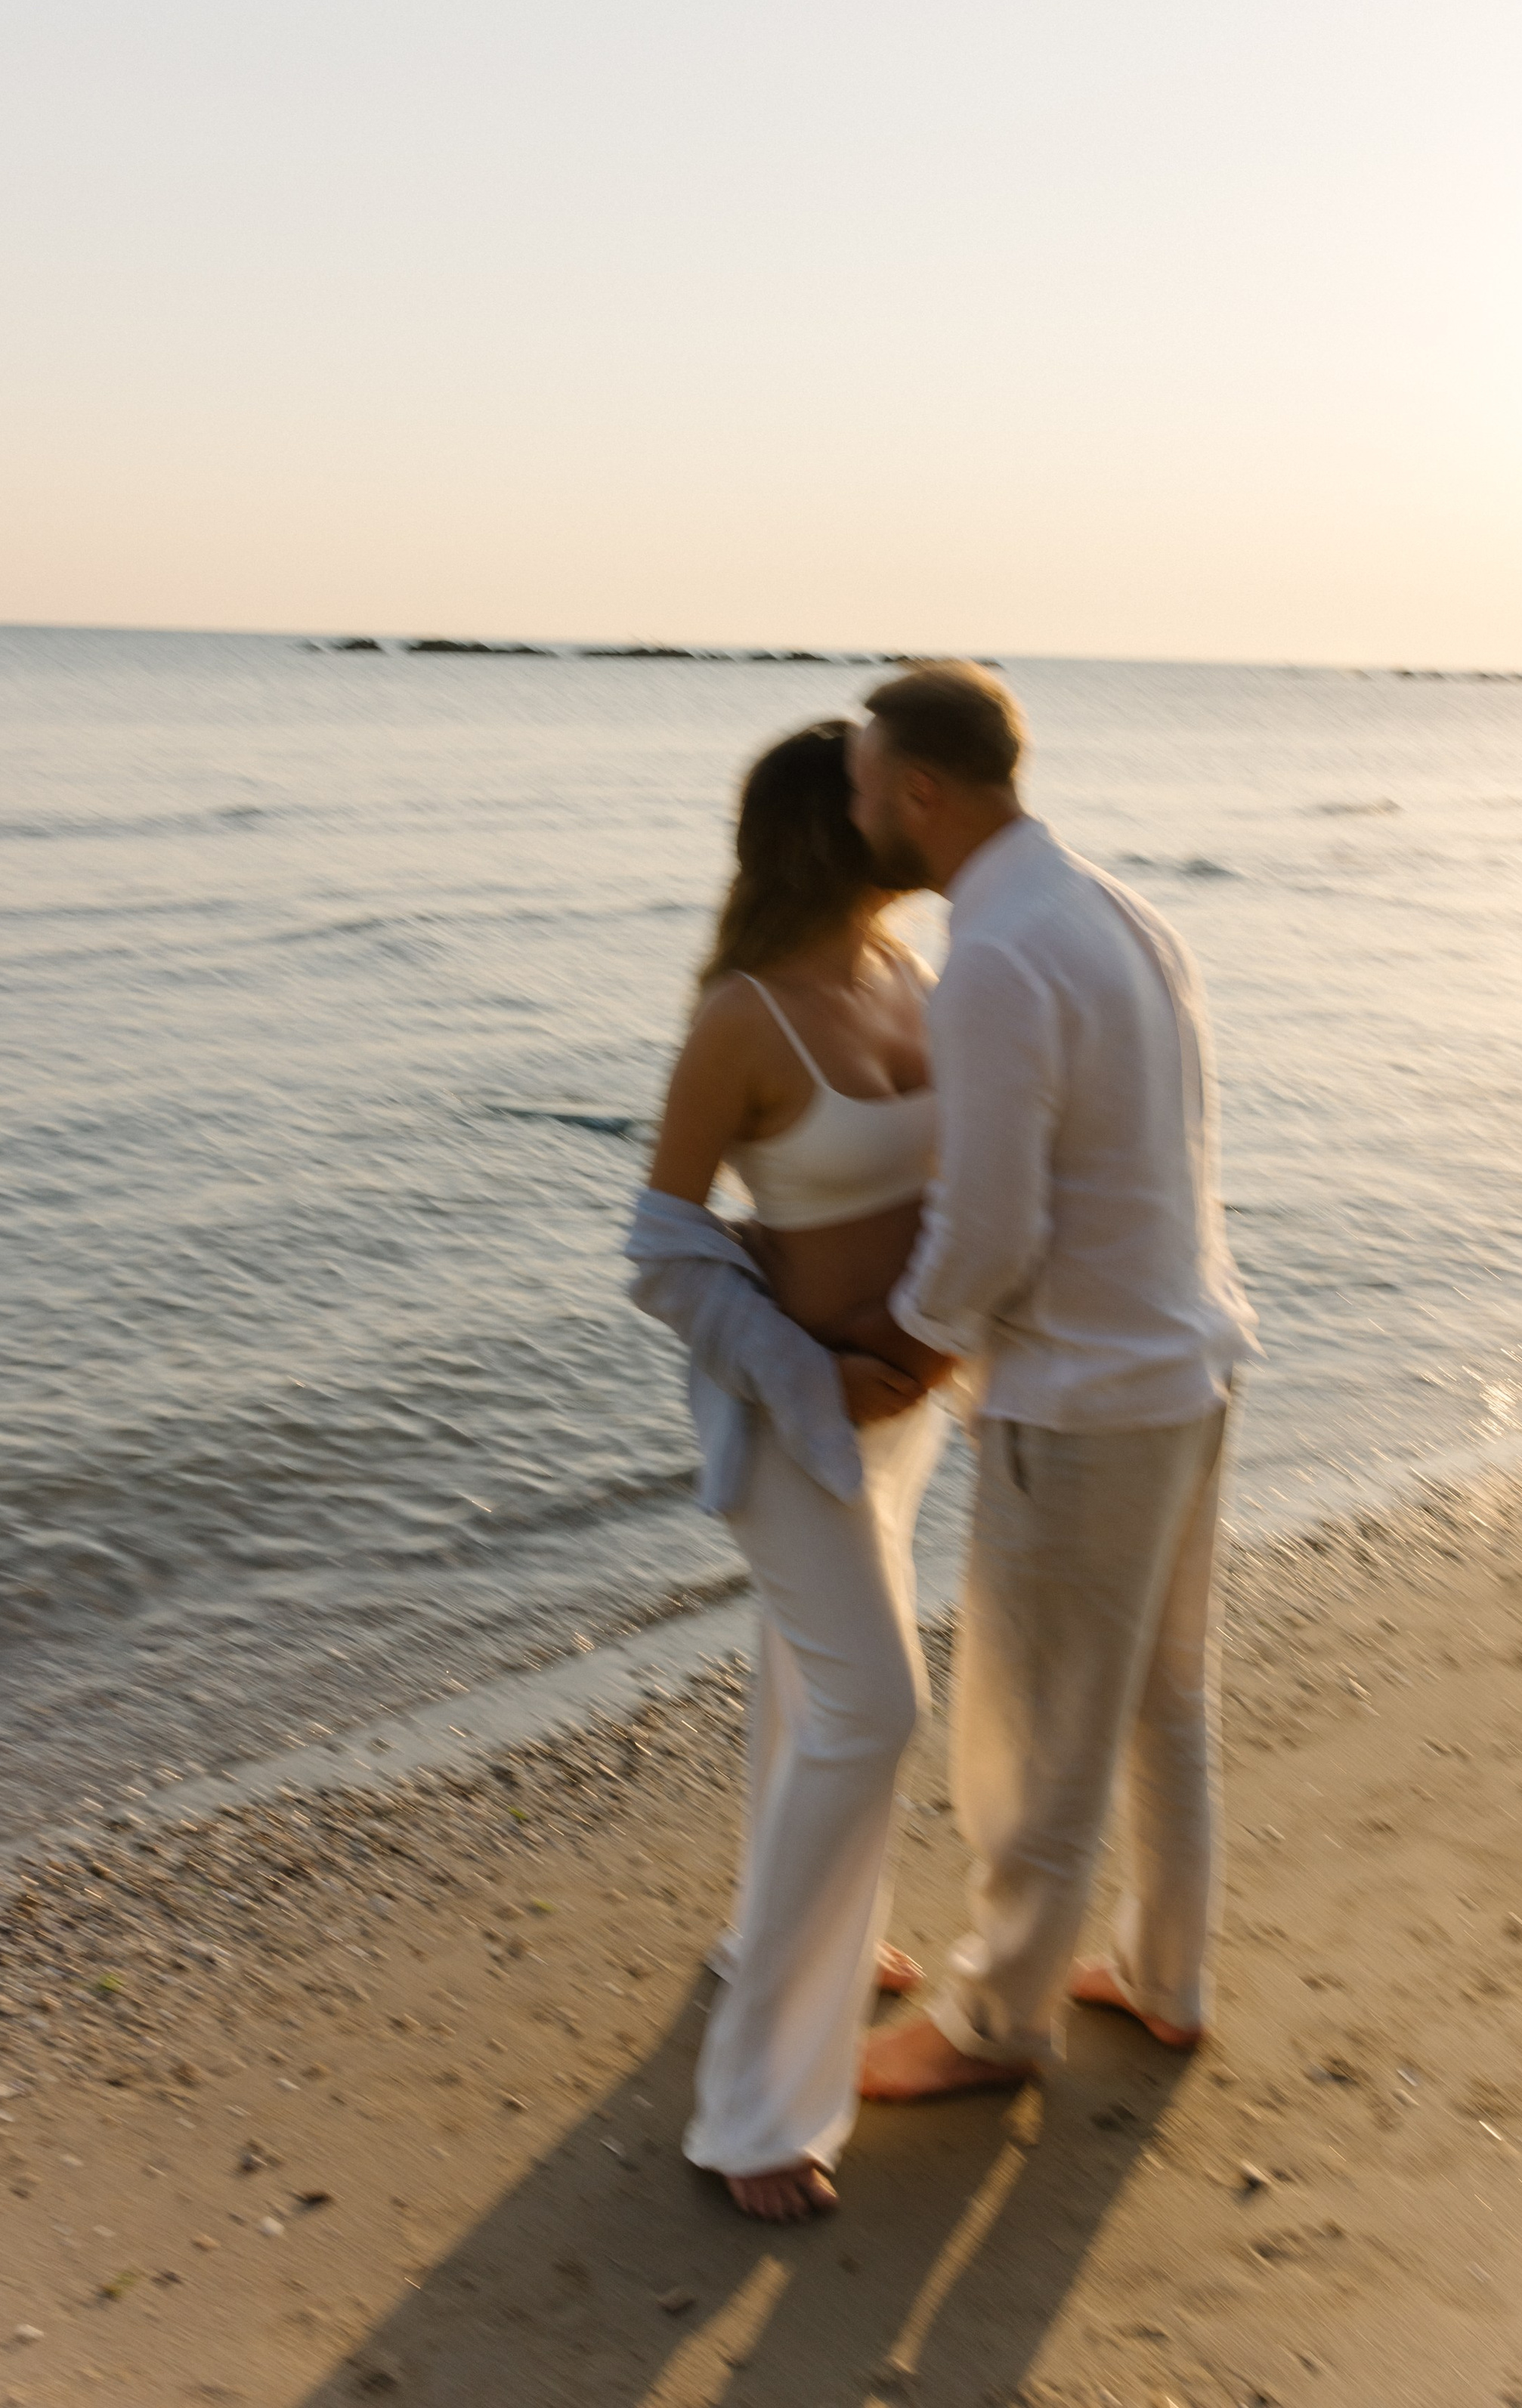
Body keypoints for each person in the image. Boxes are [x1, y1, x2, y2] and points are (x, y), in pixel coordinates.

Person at [837, 662, 1259, 2102]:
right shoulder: (1116, 911)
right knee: (1164, 1698)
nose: (853, 809)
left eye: (862, 784)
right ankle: (1166, 1972)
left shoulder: (1000, 959)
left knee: (1030, 1731)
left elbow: (992, 1228)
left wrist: (902, 1348)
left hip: (1088, 1396)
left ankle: (993, 2021)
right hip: (1190, 1359)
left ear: (920, 794)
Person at [626, 719, 957, 2222]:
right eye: (880, 792)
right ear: (837, 824)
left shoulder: (905, 973)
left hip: (910, 1407)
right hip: (792, 1423)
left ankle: (778, 1925)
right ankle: (754, 2109)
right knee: (876, 1703)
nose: (908, 806)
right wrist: (808, 1365)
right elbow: (663, 1242)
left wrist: (939, 1343)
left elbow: (964, 1176)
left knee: (800, 1674)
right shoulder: (741, 1018)